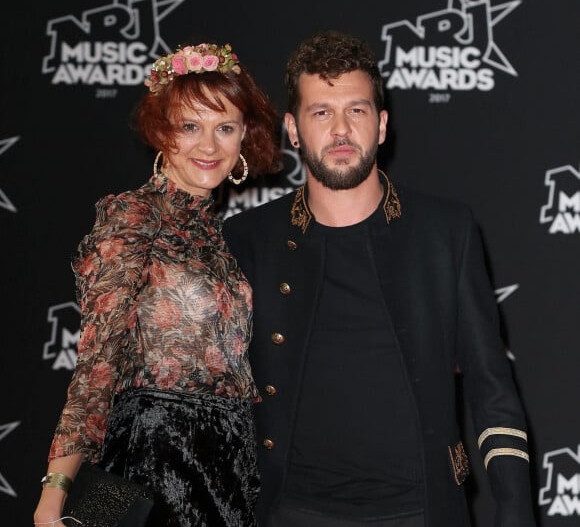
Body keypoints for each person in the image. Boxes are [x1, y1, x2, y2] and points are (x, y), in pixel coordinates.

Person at [223, 31, 536, 527]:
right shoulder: (247, 239)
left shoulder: (444, 232)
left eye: (358, 110)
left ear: (382, 125)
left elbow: (490, 387)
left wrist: (516, 512)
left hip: (421, 510)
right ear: (293, 129)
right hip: (291, 512)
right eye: (321, 113)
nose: (341, 130)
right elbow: (175, 391)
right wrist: (89, 509)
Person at [33, 42, 280, 527]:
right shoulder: (133, 215)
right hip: (148, 458)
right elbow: (99, 358)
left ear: (243, 138)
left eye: (224, 128)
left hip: (229, 466)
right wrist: (54, 494)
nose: (208, 146)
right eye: (191, 126)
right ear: (162, 131)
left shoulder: (225, 237)